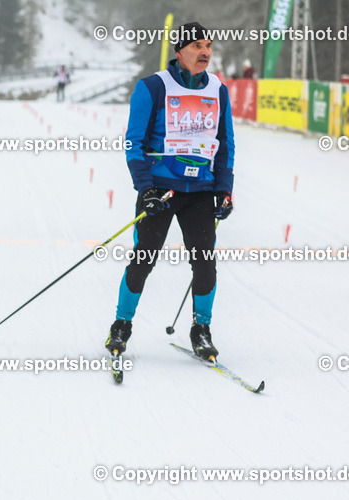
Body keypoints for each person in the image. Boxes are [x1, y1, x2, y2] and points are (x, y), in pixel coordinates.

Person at [105, 21, 235, 360]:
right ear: (179, 53)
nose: (205, 52)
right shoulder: (152, 87)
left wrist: (224, 189)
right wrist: (145, 187)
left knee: (205, 262)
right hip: (161, 190)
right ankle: (121, 325)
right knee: (144, 258)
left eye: (208, 45)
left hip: (202, 191)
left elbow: (225, 146)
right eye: (196, 46)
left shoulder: (218, 90)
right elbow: (133, 142)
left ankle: (201, 330)